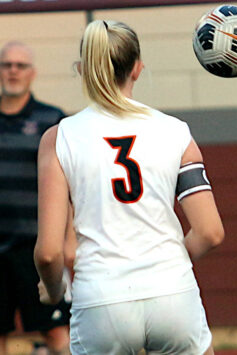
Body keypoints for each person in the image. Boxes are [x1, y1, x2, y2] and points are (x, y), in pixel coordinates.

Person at [34, 20, 224, 354]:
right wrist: (171, 263)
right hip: (172, 294)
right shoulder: (176, 133)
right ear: (137, 69)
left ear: (83, 69)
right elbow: (210, 232)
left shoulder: (59, 138)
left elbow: (49, 253)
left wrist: (52, 290)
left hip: (101, 300)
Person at [0, 41, 71, 355]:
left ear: (33, 74)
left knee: (58, 335)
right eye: (7, 64)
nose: (13, 71)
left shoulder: (52, 120)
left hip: (36, 248)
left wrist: (69, 240)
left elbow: (70, 185)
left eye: (20, 65)